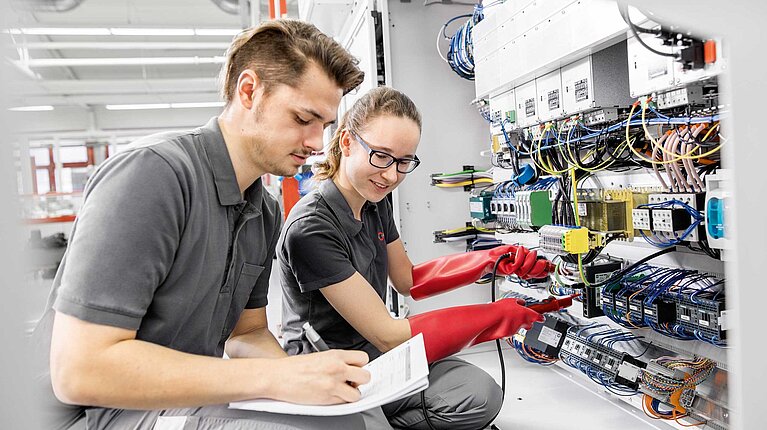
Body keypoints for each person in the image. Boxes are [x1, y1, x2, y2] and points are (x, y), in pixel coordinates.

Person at [31, 19, 372, 430]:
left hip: (183, 402)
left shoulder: (263, 211)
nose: (318, 143)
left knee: (345, 421)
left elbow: (246, 335)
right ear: (249, 91)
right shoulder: (154, 175)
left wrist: (307, 387)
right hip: (97, 413)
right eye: (304, 119)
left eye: (325, 126)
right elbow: (80, 371)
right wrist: (279, 377)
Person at [278, 87, 555, 430]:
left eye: (404, 162)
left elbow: (408, 280)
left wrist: (492, 260)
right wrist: (493, 317)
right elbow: (388, 335)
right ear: (347, 143)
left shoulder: (374, 202)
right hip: (328, 370)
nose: (392, 175)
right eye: (381, 156)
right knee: (475, 397)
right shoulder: (312, 229)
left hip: (375, 357)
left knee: (476, 389)